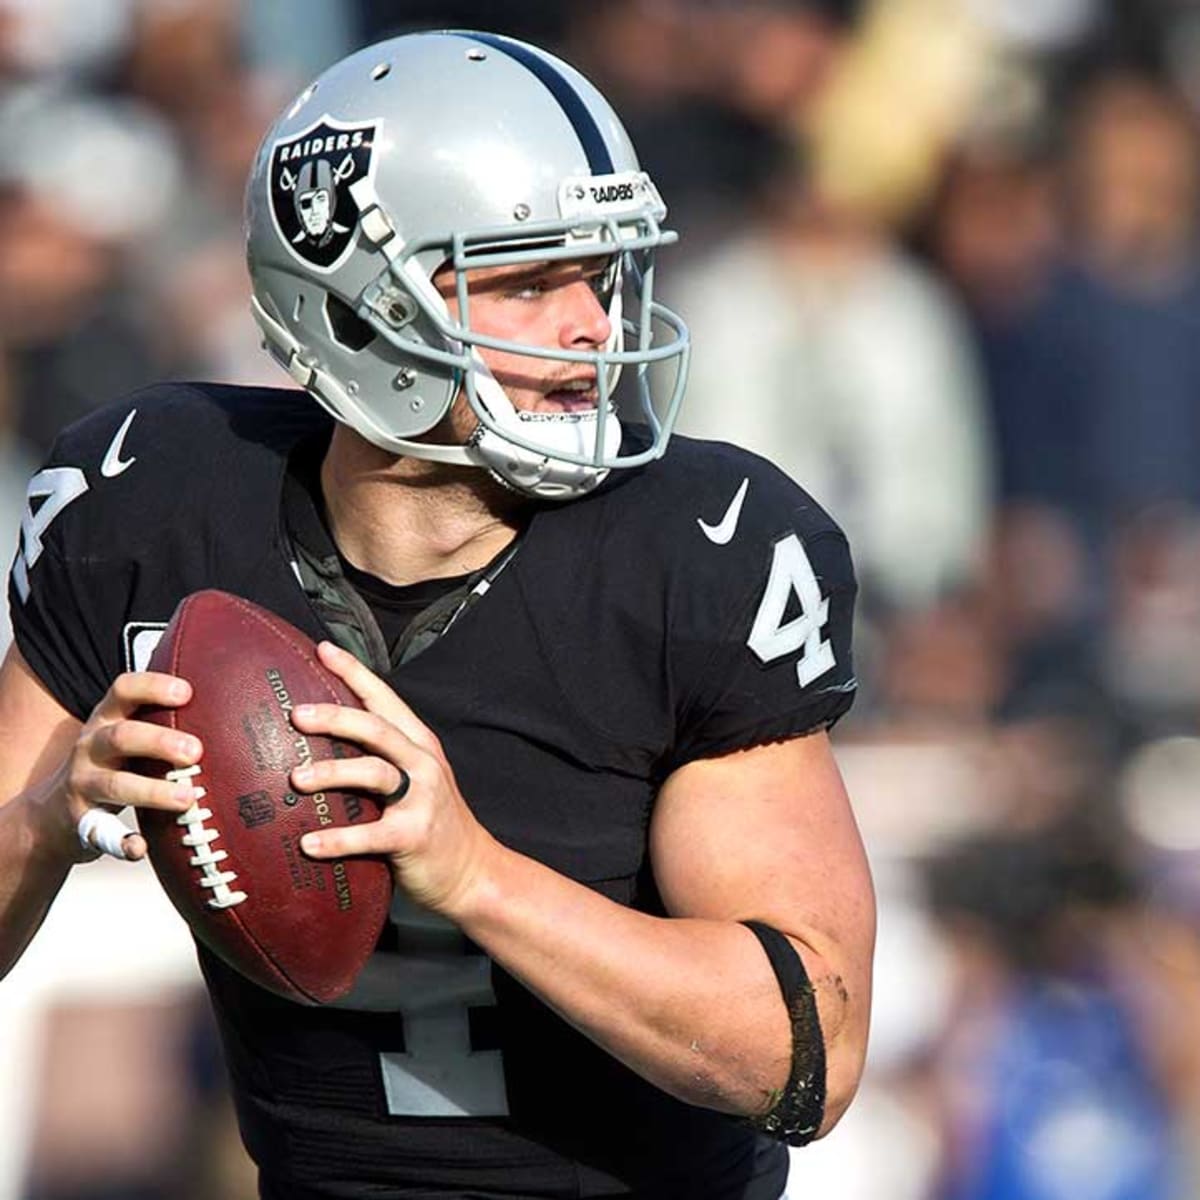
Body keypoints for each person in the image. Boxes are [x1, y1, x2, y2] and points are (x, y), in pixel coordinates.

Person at [0, 30, 875, 1200]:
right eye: (525, 275)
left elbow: (807, 1051)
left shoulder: (698, 551)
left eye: (601, 273)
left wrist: (475, 876)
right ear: (355, 307)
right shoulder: (148, 507)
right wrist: (49, 816)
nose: (592, 327)